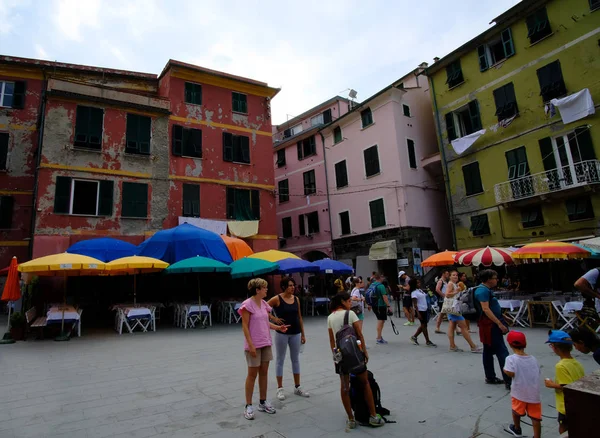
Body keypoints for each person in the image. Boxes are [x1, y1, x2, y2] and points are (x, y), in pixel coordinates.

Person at [327, 292, 385, 429]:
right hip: (355, 354)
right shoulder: (350, 314)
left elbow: (332, 341)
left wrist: (336, 357)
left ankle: (351, 419)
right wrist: (364, 352)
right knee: (365, 383)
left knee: (345, 387)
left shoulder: (330, 317)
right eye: (348, 301)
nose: (350, 303)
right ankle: (373, 416)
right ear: (343, 302)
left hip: (341, 356)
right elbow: (359, 334)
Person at [239, 278, 289, 420]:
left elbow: (265, 322)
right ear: (257, 290)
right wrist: (250, 345)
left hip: (265, 342)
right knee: (252, 374)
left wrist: (278, 327)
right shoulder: (247, 305)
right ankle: (248, 405)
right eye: (264, 287)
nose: (267, 289)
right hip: (254, 345)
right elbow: (245, 326)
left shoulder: (263, 304)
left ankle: (263, 401)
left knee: (264, 373)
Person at [267, 276, 309, 402]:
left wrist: (303, 334)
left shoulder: (296, 299)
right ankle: (280, 388)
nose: (293, 287)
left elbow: (300, 317)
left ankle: (297, 386)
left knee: (295, 359)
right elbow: (264, 309)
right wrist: (274, 319)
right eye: (290, 285)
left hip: (295, 332)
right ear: (284, 286)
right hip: (282, 333)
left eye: (293, 285)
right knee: (280, 359)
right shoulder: (277, 299)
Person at [474, 269, 511, 389]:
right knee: (501, 351)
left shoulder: (485, 290)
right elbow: (485, 309)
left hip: (489, 323)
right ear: (489, 279)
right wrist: (499, 323)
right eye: (495, 277)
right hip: (490, 325)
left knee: (488, 350)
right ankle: (508, 380)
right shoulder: (482, 291)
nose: (497, 280)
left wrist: (503, 316)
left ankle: (490, 376)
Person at [544, 330, 585, 435]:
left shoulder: (560, 366)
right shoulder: (576, 363)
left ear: (554, 347)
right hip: (578, 403)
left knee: (563, 427)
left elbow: (566, 386)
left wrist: (551, 384)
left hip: (565, 405)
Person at [503, 331, 541, 438]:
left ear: (510, 344)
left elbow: (510, 373)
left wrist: (505, 371)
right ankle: (537, 436)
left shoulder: (510, 359)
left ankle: (517, 428)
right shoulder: (533, 359)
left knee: (516, 411)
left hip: (518, 392)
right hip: (534, 393)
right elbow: (537, 371)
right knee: (535, 417)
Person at [445, 271, 482, 353]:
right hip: (453, 307)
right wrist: (457, 291)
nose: (455, 276)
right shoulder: (451, 284)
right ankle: (472, 346)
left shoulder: (455, 284)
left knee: (452, 326)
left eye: (456, 275)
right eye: (453, 275)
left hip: (452, 307)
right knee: (463, 326)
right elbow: (447, 294)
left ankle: (452, 345)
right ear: (450, 277)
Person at [410, 279, 436, 347]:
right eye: (417, 283)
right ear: (414, 284)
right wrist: (417, 313)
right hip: (420, 310)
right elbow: (415, 304)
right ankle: (427, 341)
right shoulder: (414, 293)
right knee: (424, 325)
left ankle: (414, 336)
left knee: (424, 325)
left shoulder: (420, 290)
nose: (419, 284)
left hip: (425, 309)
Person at [371, 273, 392, 345]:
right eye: (382, 277)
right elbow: (384, 297)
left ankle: (379, 336)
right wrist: (388, 306)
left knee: (380, 320)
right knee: (380, 321)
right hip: (381, 305)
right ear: (380, 278)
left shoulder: (372, 284)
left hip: (374, 305)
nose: (383, 278)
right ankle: (379, 338)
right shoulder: (381, 286)